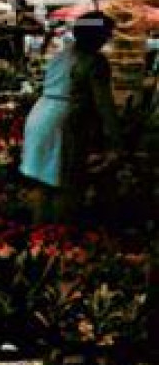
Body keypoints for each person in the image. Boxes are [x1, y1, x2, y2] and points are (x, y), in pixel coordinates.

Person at [20, 12, 120, 225]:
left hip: (40, 116)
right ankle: (57, 242)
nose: (107, 39)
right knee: (65, 187)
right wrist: (115, 141)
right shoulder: (95, 61)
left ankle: (37, 239)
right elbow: (104, 104)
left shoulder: (61, 55)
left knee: (43, 185)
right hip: (63, 123)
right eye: (107, 34)